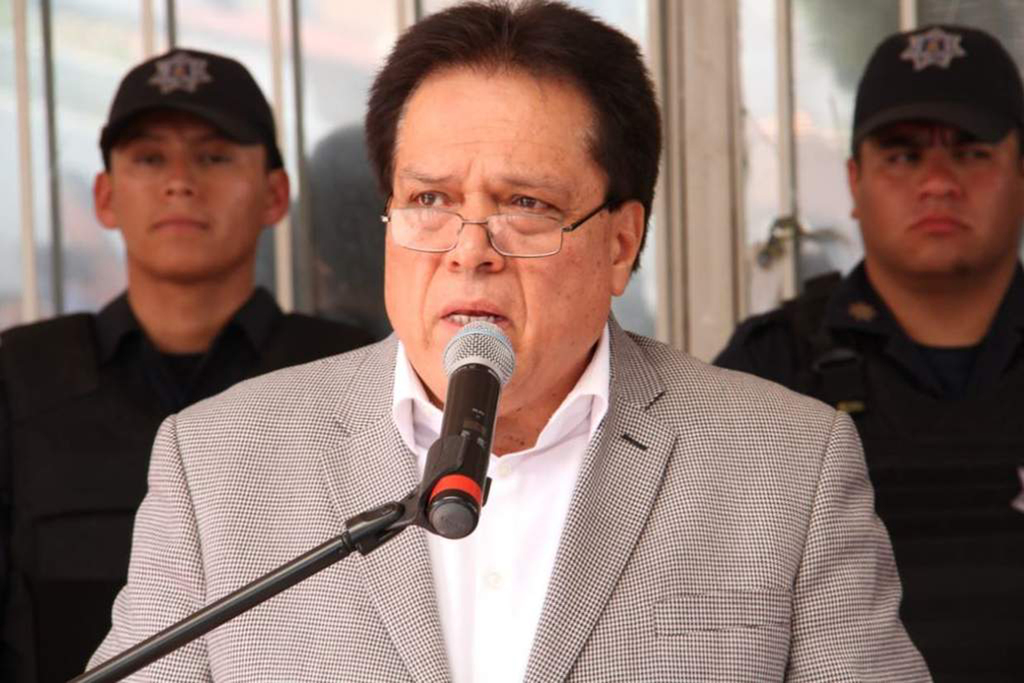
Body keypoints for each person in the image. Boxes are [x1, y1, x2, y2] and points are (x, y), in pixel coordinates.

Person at [92, 3, 929, 680]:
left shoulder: (787, 465)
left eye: (525, 204)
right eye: (430, 200)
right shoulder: (217, 463)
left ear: (622, 242)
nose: (470, 250)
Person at [0, 48, 373, 683]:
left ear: (275, 195)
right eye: (150, 159)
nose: (180, 182)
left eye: (214, 157)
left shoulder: (347, 368)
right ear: (105, 196)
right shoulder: (20, 376)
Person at [716, 24, 1024, 680]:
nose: (938, 182)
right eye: (903, 156)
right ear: (855, 182)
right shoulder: (770, 371)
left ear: (1021, 173)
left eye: (971, 152)